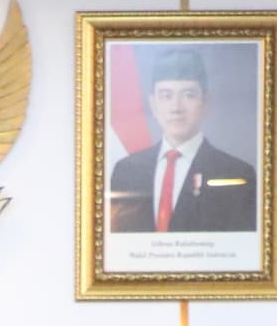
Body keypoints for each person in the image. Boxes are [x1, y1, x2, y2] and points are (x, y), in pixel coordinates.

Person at [105, 48, 256, 235]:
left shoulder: (237, 174)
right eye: (166, 96)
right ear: (153, 105)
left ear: (205, 103)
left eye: (188, 95)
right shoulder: (126, 171)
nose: (176, 108)